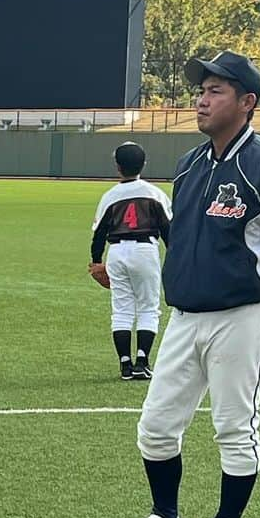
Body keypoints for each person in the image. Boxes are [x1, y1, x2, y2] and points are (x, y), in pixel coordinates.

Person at [119, 51, 260, 518]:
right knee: (157, 426)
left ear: (247, 102)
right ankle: (166, 516)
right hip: (184, 316)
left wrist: (258, 297)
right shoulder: (190, 165)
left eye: (216, 91)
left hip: (241, 317)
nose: (201, 101)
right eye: (201, 90)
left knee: (234, 425)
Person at [89, 141, 172, 380]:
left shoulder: (110, 196)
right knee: (148, 307)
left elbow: (99, 234)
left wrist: (96, 261)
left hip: (116, 252)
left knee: (122, 309)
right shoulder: (155, 193)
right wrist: (175, 258)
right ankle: (142, 362)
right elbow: (169, 231)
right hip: (145, 251)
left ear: (117, 166)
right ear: (143, 164)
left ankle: (125, 365)